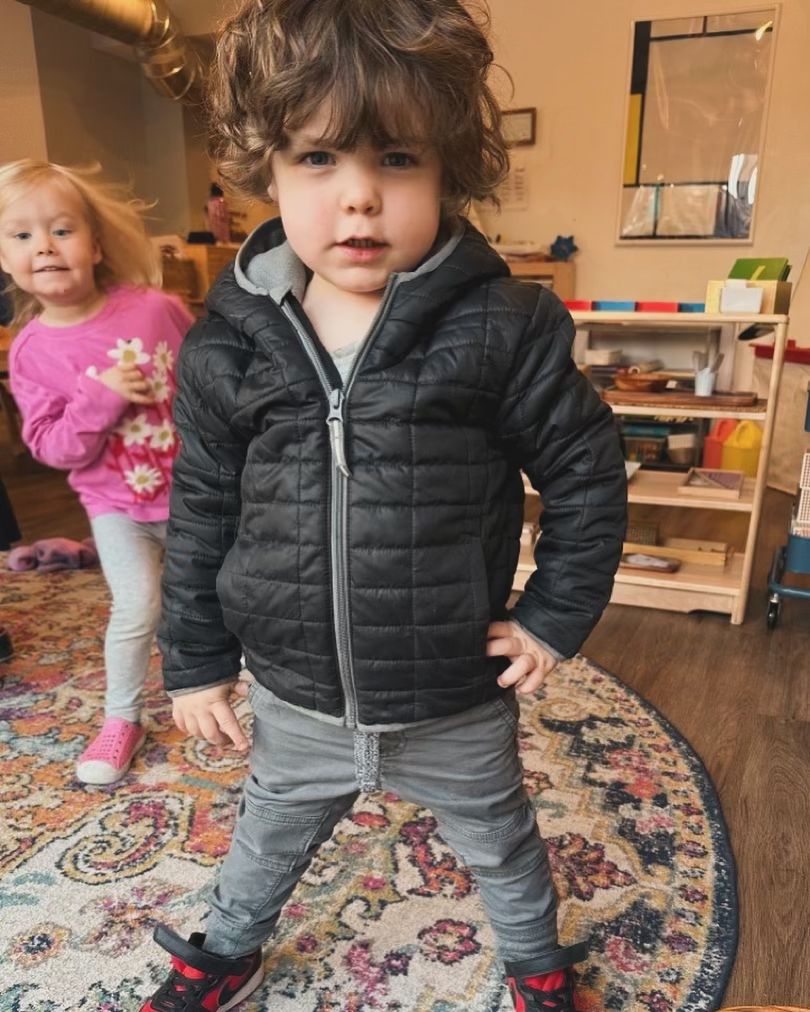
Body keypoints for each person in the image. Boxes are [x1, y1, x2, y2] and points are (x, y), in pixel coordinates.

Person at [144, 2, 627, 1010]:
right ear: (266, 169)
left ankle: (536, 965)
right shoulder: (227, 342)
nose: (358, 196)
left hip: (451, 693)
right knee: (267, 836)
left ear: (449, 170)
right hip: (294, 696)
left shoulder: (503, 326)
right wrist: (194, 662)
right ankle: (225, 951)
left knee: (502, 841)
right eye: (318, 159)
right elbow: (200, 509)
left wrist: (552, 615)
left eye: (397, 159)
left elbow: (586, 473)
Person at [0, 159, 193, 784]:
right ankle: (121, 717)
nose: (45, 246)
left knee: (220, 599)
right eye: (22, 235)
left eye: (61, 230)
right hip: (116, 509)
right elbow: (53, 448)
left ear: (96, 245)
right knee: (137, 608)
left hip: (197, 497)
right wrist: (99, 397)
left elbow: (211, 378)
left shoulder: (155, 309)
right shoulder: (31, 351)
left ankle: (238, 688)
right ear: (4, 258)